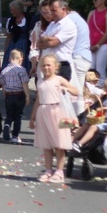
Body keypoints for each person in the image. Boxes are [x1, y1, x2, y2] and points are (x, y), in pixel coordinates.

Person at [29, 54, 79, 184]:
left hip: (57, 111)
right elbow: (38, 100)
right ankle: (48, 170)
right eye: (43, 65)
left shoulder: (59, 79)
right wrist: (33, 117)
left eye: (49, 65)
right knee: (46, 145)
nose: (46, 68)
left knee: (59, 144)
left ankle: (59, 171)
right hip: (43, 111)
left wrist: (65, 88)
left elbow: (76, 91)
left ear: (55, 66)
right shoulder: (40, 81)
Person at [72, 76, 107, 152]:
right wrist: (95, 114)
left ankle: (80, 143)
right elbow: (102, 110)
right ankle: (72, 140)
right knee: (87, 123)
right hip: (105, 120)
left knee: (93, 127)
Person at [37, 0, 77, 82]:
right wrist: (47, 39)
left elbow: (52, 43)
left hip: (61, 65)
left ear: (64, 9)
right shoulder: (52, 24)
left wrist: (46, 38)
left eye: (54, 10)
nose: (52, 13)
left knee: (61, 93)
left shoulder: (68, 25)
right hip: (49, 65)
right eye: (50, 11)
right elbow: (38, 44)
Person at [0, 49, 30, 144]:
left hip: (9, 95)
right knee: (18, 116)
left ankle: (6, 126)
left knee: (9, 114)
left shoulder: (4, 71)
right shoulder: (21, 70)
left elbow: (3, 86)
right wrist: (27, 96)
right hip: (19, 94)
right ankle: (15, 135)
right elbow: (24, 84)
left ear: (9, 59)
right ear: (20, 59)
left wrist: (5, 96)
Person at [88, 0, 107, 85]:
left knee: (100, 70)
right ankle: (91, 91)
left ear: (103, 0)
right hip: (91, 45)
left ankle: (101, 92)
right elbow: (87, 30)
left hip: (103, 44)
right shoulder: (91, 13)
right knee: (90, 69)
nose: (94, 1)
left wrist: (98, 45)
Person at [3, 0, 32, 73]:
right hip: (13, 46)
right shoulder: (10, 21)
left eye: (13, 10)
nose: (11, 12)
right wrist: (6, 50)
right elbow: (9, 37)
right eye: (11, 10)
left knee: (24, 66)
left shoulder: (28, 19)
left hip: (25, 46)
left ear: (19, 10)